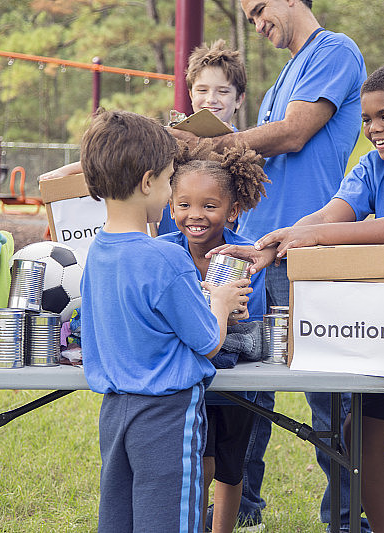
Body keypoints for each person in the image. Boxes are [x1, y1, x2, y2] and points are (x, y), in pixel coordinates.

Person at [209, 61, 384, 533]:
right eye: (367, 119)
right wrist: (275, 244)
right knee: (358, 437)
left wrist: (316, 237)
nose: (374, 129)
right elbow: (331, 213)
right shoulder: (373, 165)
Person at [170, 1, 367, 530]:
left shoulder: (334, 51)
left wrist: (212, 140)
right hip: (254, 251)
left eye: (259, 9)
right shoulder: (285, 73)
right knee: (245, 391)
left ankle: (348, 519)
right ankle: (243, 508)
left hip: (304, 251)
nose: (256, 24)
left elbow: (294, 133)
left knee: (327, 397)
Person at [77, 109, 251, 533]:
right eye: (171, 178)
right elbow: (208, 341)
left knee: (119, 519)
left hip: (114, 413)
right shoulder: (167, 257)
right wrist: (221, 301)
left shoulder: (96, 253)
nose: (172, 189)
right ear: (147, 182)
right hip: (167, 417)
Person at [157, 143, 269, 533]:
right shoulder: (163, 253)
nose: (195, 215)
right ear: (171, 207)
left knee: (230, 468)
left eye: (209, 206)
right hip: (189, 383)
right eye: (184, 204)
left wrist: (232, 314)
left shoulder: (246, 256)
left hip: (235, 385)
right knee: (199, 462)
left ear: (232, 210)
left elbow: (251, 325)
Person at [39, 39, 248, 236]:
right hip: (169, 241)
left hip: (217, 247)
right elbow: (121, 156)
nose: (211, 99)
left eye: (223, 91)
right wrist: (68, 171)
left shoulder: (245, 153)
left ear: (239, 99)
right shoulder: (174, 138)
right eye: (202, 90)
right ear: (191, 94)